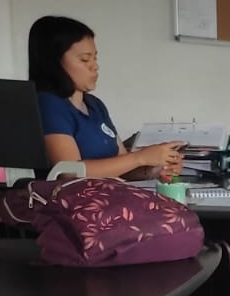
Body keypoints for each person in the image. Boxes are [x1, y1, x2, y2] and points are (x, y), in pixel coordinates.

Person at [28, 15, 183, 180]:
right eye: (85, 59)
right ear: (54, 62)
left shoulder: (95, 105)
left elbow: (122, 166)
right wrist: (140, 158)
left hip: (109, 192)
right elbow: (69, 171)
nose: (95, 66)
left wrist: (156, 167)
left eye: (95, 58)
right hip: (71, 196)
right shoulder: (48, 104)